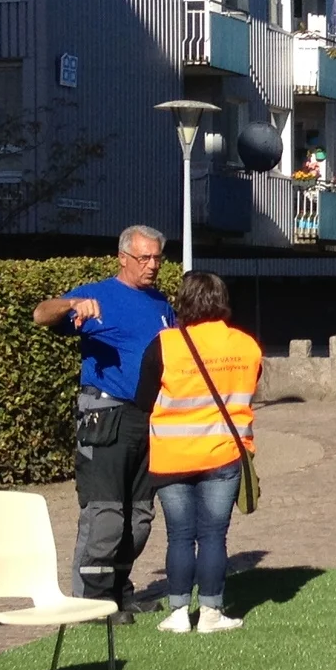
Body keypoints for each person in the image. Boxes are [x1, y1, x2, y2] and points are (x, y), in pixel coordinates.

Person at [31, 225, 177, 615]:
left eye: (157, 258)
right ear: (123, 258)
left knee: (141, 514)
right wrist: (71, 305)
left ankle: (120, 590)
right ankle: (91, 602)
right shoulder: (97, 294)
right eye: (144, 258)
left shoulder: (161, 304)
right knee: (107, 512)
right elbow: (40, 314)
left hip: (149, 419)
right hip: (106, 414)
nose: (152, 266)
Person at [134, 271, 262, 633]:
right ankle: (211, 612)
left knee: (179, 536)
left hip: (172, 456)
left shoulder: (164, 344)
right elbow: (251, 388)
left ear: (184, 301)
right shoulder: (246, 344)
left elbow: (143, 400)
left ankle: (177, 613)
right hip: (223, 454)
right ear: (222, 300)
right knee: (213, 535)